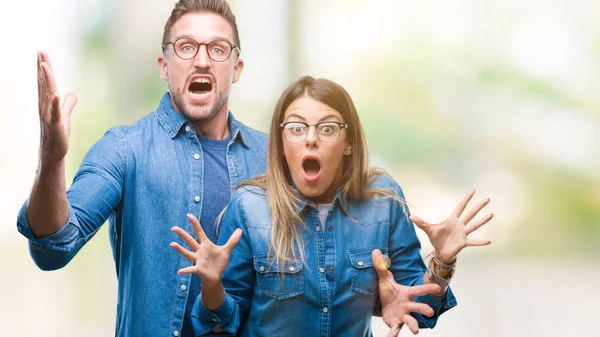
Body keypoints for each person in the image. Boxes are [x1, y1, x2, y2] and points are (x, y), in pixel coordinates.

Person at [16, 1, 268, 336]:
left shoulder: (270, 158)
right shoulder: (124, 149)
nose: (203, 60)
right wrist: (51, 158)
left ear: (236, 68)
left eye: (218, 49)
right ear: (164, 65)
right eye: (187, 47)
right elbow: (52, 248)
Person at [171, 76, 493, 336]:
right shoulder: (250, 206)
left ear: (348, 142)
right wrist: (212, 285)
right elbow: (222, 324)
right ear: (282, 144)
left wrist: (443, 261)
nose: (311, 139)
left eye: (327, 128)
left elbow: (421, 312)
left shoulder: (382, 201)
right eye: (296, 128)